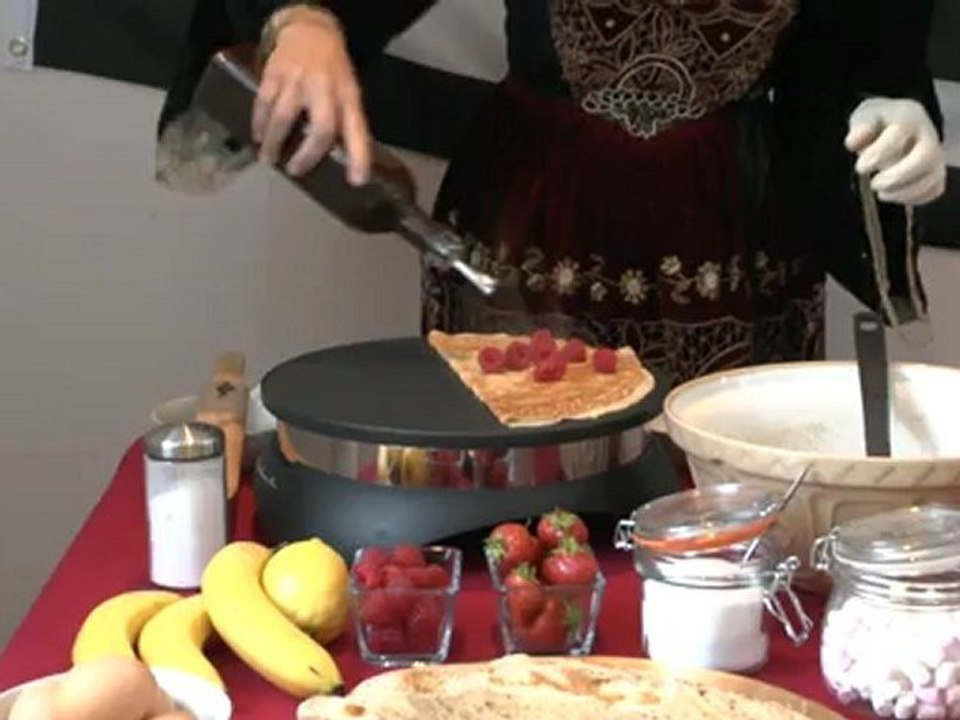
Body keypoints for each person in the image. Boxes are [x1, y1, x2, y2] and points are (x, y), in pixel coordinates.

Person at [159, 0, 946, 387]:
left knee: (722, 529)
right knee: (517, 520)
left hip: (735, 236)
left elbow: (861, 40)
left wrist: (888, 108)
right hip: (537, 218)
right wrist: (305, 18)